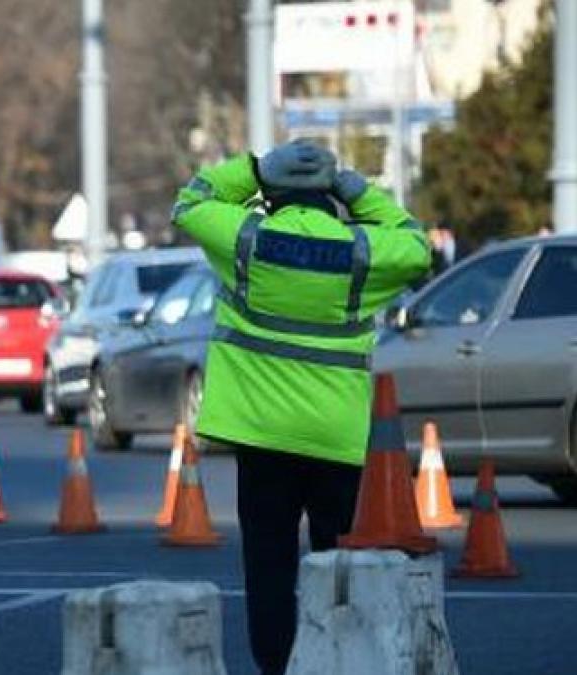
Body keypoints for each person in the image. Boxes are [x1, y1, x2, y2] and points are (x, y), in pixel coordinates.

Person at [171, 140, 430, 675]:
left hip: (262, 434)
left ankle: (276, 668)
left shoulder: (246, 239)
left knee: (268, 567)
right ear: (329, 197)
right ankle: (338, 664)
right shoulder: (360, 252)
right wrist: (356, 190)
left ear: (272, 194)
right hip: (336, 437)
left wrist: (253, 170)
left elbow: (191, 201)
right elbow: (416, 243)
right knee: (338, 569)